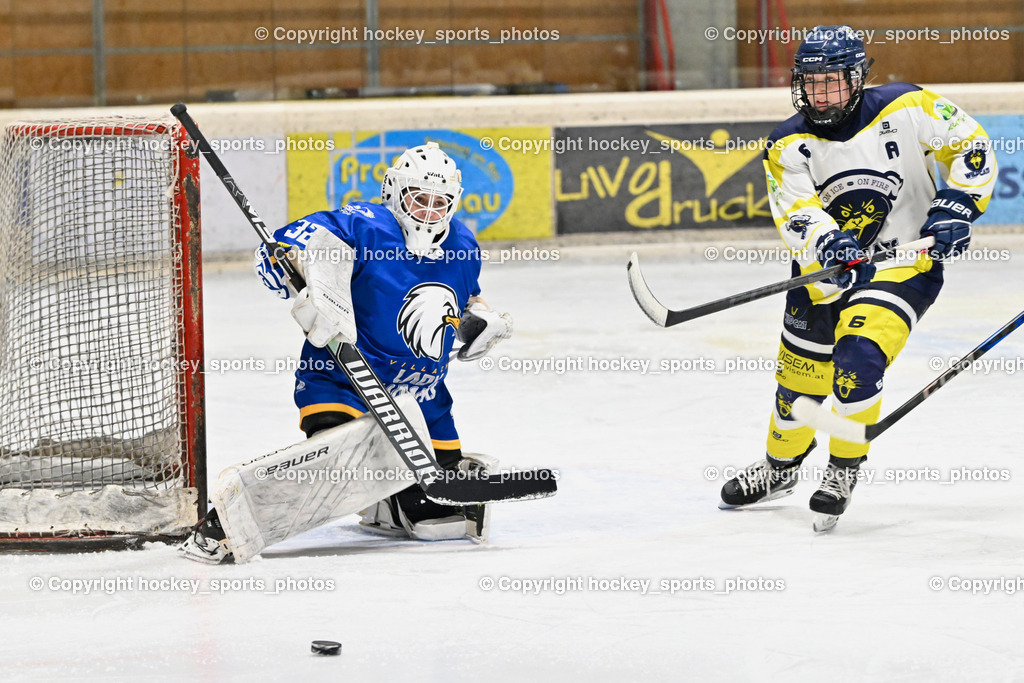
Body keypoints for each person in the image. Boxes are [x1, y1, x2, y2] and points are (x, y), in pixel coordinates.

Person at [719, 25, 997, 528]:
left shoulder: (910, 106)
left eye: (831, 82)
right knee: (798, 389)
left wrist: (957, 205)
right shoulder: (786, 144)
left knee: (859, 359)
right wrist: (831, 243)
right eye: (810, 82)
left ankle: (843, 468)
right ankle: (779, 468)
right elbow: (797, 212)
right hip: (823, 276)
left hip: (903, 267)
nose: (819, 94)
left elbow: (971, 148)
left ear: (858, 78)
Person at [181, 142, 513, 563]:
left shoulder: (463, 244)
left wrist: (477, 320)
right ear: (394, 191)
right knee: (338, 466)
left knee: (435, 505)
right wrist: (307, 278)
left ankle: (391, 503)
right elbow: (283, 250)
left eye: (440, 202)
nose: (429, 212)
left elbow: (463, 299)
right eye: (419, 199)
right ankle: (228, 524)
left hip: (423, 396)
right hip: (343, 380)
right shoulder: (363, 225)